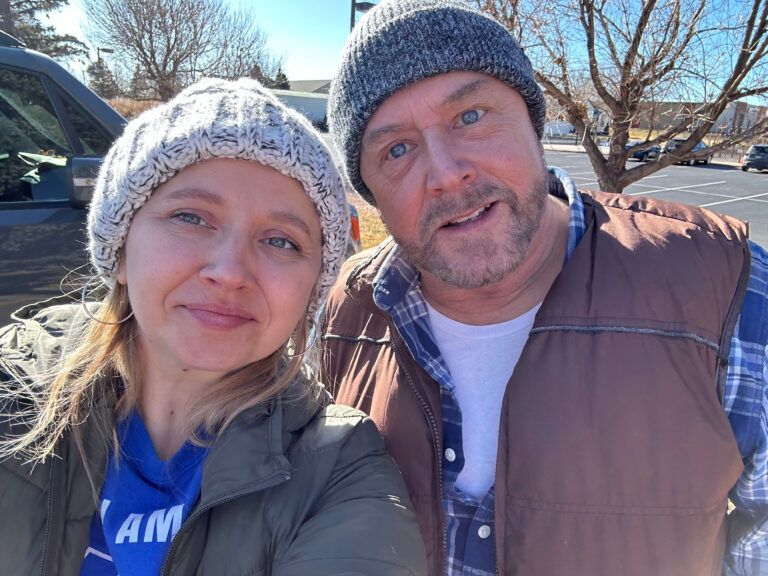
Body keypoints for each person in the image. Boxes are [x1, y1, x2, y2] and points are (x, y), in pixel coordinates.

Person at [320, 1, 768, 574]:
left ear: (535, 125)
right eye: (397, 150)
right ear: (372, 192)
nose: (446, 172)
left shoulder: (723, 290)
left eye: (472, 116)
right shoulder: (350, 313)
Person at [0, 77, 427, 576]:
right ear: (120, 250)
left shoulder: (337, 471)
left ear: (311, 291)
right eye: (191, 217)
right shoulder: (16, 385)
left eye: (282, 241)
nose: (229, 272)